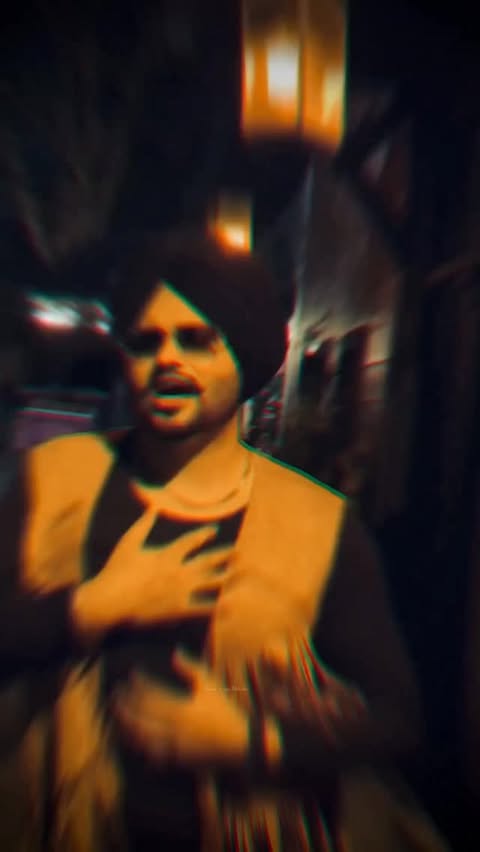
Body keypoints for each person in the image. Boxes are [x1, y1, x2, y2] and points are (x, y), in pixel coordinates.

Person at [0, 230, 435, 852]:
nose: (167, 361)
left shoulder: (318, 524)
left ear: (245, 349)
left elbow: (396, 718)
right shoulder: (56, 478)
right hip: (63, 823)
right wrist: (90, 608)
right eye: (145, 342)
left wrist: (249, 740)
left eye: (196, 339)